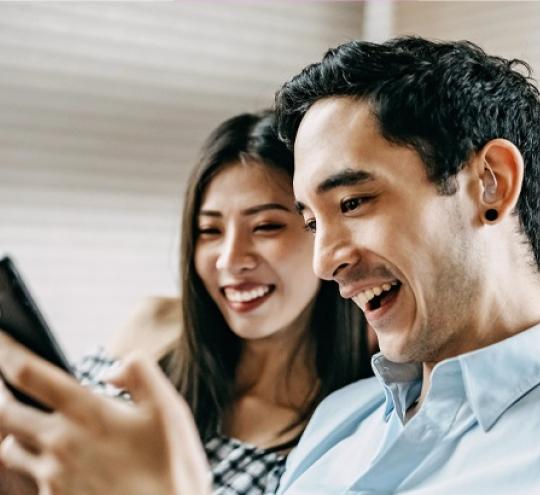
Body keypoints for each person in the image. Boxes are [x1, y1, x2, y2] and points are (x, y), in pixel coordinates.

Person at [0, 110, 374, 494]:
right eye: (209, 230)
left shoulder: (349, 427)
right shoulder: (154, 323)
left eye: (266, 226)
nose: (230, 259)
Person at [270, 36, 540, 493]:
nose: (324, 262)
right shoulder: (335, 420)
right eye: (314, 223)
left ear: (491, 183)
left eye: (353, 202)